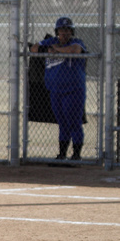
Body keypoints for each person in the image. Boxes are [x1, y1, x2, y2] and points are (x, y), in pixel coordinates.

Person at [30, 16, 87, 160]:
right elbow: (34, 48)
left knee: (74, 122)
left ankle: (76, 155)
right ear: (57, 31)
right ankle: (62, 155)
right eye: (62, 30)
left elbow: (75, 50)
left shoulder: (76, 42)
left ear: (72, 32)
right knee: (62, 123)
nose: (65, 33)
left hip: (73, 90)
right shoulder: (51, 42)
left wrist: (56, 49)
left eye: (68, 30)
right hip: (55, 90)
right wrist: (48, 48)